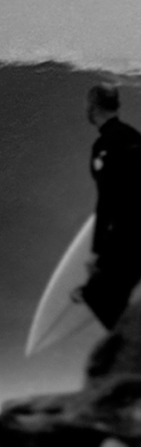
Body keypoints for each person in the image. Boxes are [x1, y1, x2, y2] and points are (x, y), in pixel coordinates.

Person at [76, 83, 141, 329]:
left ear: (93, 108)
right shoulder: (135, 136)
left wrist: (97, 251)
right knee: (114, 297)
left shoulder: (104, 147)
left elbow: (107, 202)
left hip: (129, 234)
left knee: (97, 296)